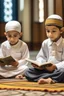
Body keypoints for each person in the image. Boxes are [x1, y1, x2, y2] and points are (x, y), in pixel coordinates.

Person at [24, 14, 64, 84]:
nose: (50, 34)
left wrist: (55, 66)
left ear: (61, 30)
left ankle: (47, 78)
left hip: (59, 70)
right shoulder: (45, 43)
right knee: (28, 71)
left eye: (53, 31)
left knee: (62, 73)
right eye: (48, 31)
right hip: (46, 70)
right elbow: (41, 57)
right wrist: (39, 64)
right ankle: (50, 78)